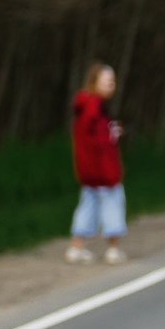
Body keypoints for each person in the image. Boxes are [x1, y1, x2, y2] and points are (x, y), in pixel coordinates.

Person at [67, 63, 126, 264]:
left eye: (113, 81)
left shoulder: (85, 106)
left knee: (87, 207)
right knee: (113, 205)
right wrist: (111, 137)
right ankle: (113, 249)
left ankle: (76, 248)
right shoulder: (94, 107)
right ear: (95, 82)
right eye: (107, 80)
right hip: (102, 171)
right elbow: (98, 144)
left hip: (88, 172)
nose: (112, 84)